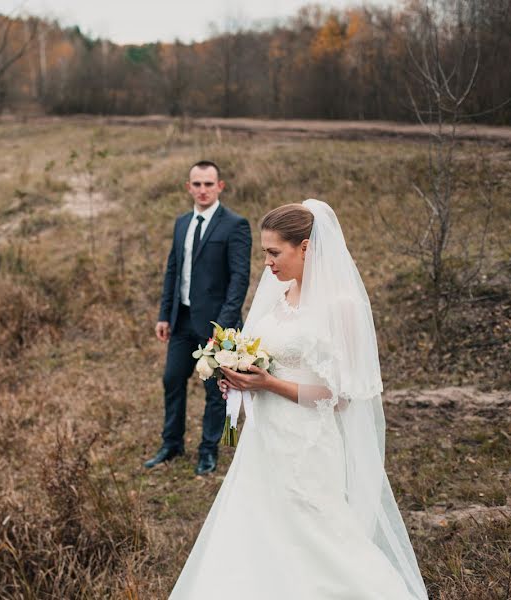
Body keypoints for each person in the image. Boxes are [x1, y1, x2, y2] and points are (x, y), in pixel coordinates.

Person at [168, 200, 428, 599]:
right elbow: (262, 355)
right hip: (263, 439)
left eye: (275, 252)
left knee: (317, 537)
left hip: (306, 442)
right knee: (253, 531)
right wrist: (238, 378)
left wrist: (268, 384)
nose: (268, 263)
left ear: (305, 247)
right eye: (264, 253)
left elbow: (340, 396)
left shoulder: (341, 306)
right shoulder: (278, 296)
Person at [147, 160, 251, 476]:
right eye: (197, 184)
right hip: (182, 319)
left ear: (220, 186)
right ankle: (172, 443)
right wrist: (165, 314)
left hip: (217, 324)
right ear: (188, 187)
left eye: (208, 183)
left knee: (214, 390)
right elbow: (173, 270)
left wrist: (222, 328)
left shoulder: (235, 224)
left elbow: (239, 279)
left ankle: (208, 451)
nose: (202, 190)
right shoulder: (181, 223)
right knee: (172, 379)